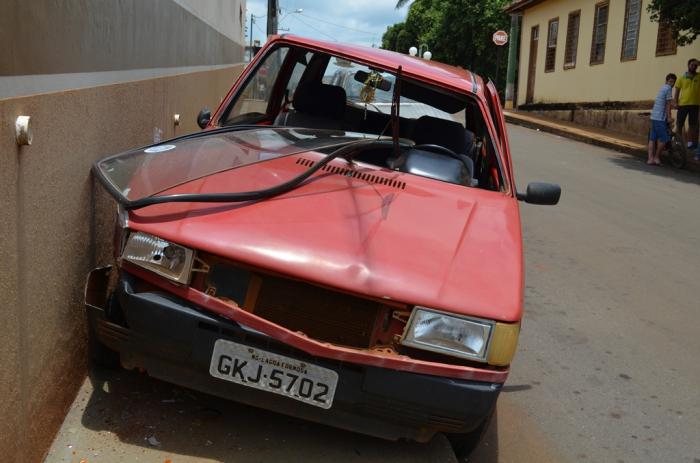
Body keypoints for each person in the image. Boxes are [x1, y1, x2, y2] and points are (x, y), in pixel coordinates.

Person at [673, 58, 700, 161]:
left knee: (693, 124)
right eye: (692, 65)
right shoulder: (681, 78)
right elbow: (677, 92)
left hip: (695, 104)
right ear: (688, 65)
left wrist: (698, 62)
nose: (694, 67)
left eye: (696, 65)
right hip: (683, 104)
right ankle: (679, 141)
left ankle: (689, 143)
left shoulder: (699, 76)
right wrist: (675, 102)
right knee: (680, 123)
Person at [648, 73, 676, 165]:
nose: (671, 84)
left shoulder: (663, 87)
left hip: (654, 116)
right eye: (670, 81)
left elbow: (667, 102)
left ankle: (650, 159)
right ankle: (656, 157)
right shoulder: (668, 89)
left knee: (652, 139)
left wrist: (673, 105)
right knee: (664, 139)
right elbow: (668, 105)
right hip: (660, 118)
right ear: (667, 81)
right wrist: (668, 117)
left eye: (673, 82)